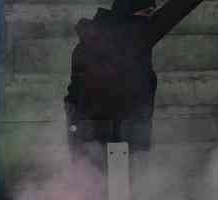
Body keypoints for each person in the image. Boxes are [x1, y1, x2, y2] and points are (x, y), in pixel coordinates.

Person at [66, 0, 207, 152]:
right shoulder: (137, 35)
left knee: (88, 173)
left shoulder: (84, 45)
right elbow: (175, 10)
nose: (148, 20)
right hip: (125, 136)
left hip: (89, 137)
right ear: (127, 13)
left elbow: (72, 98)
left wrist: (74, 138)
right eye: (147, 13)